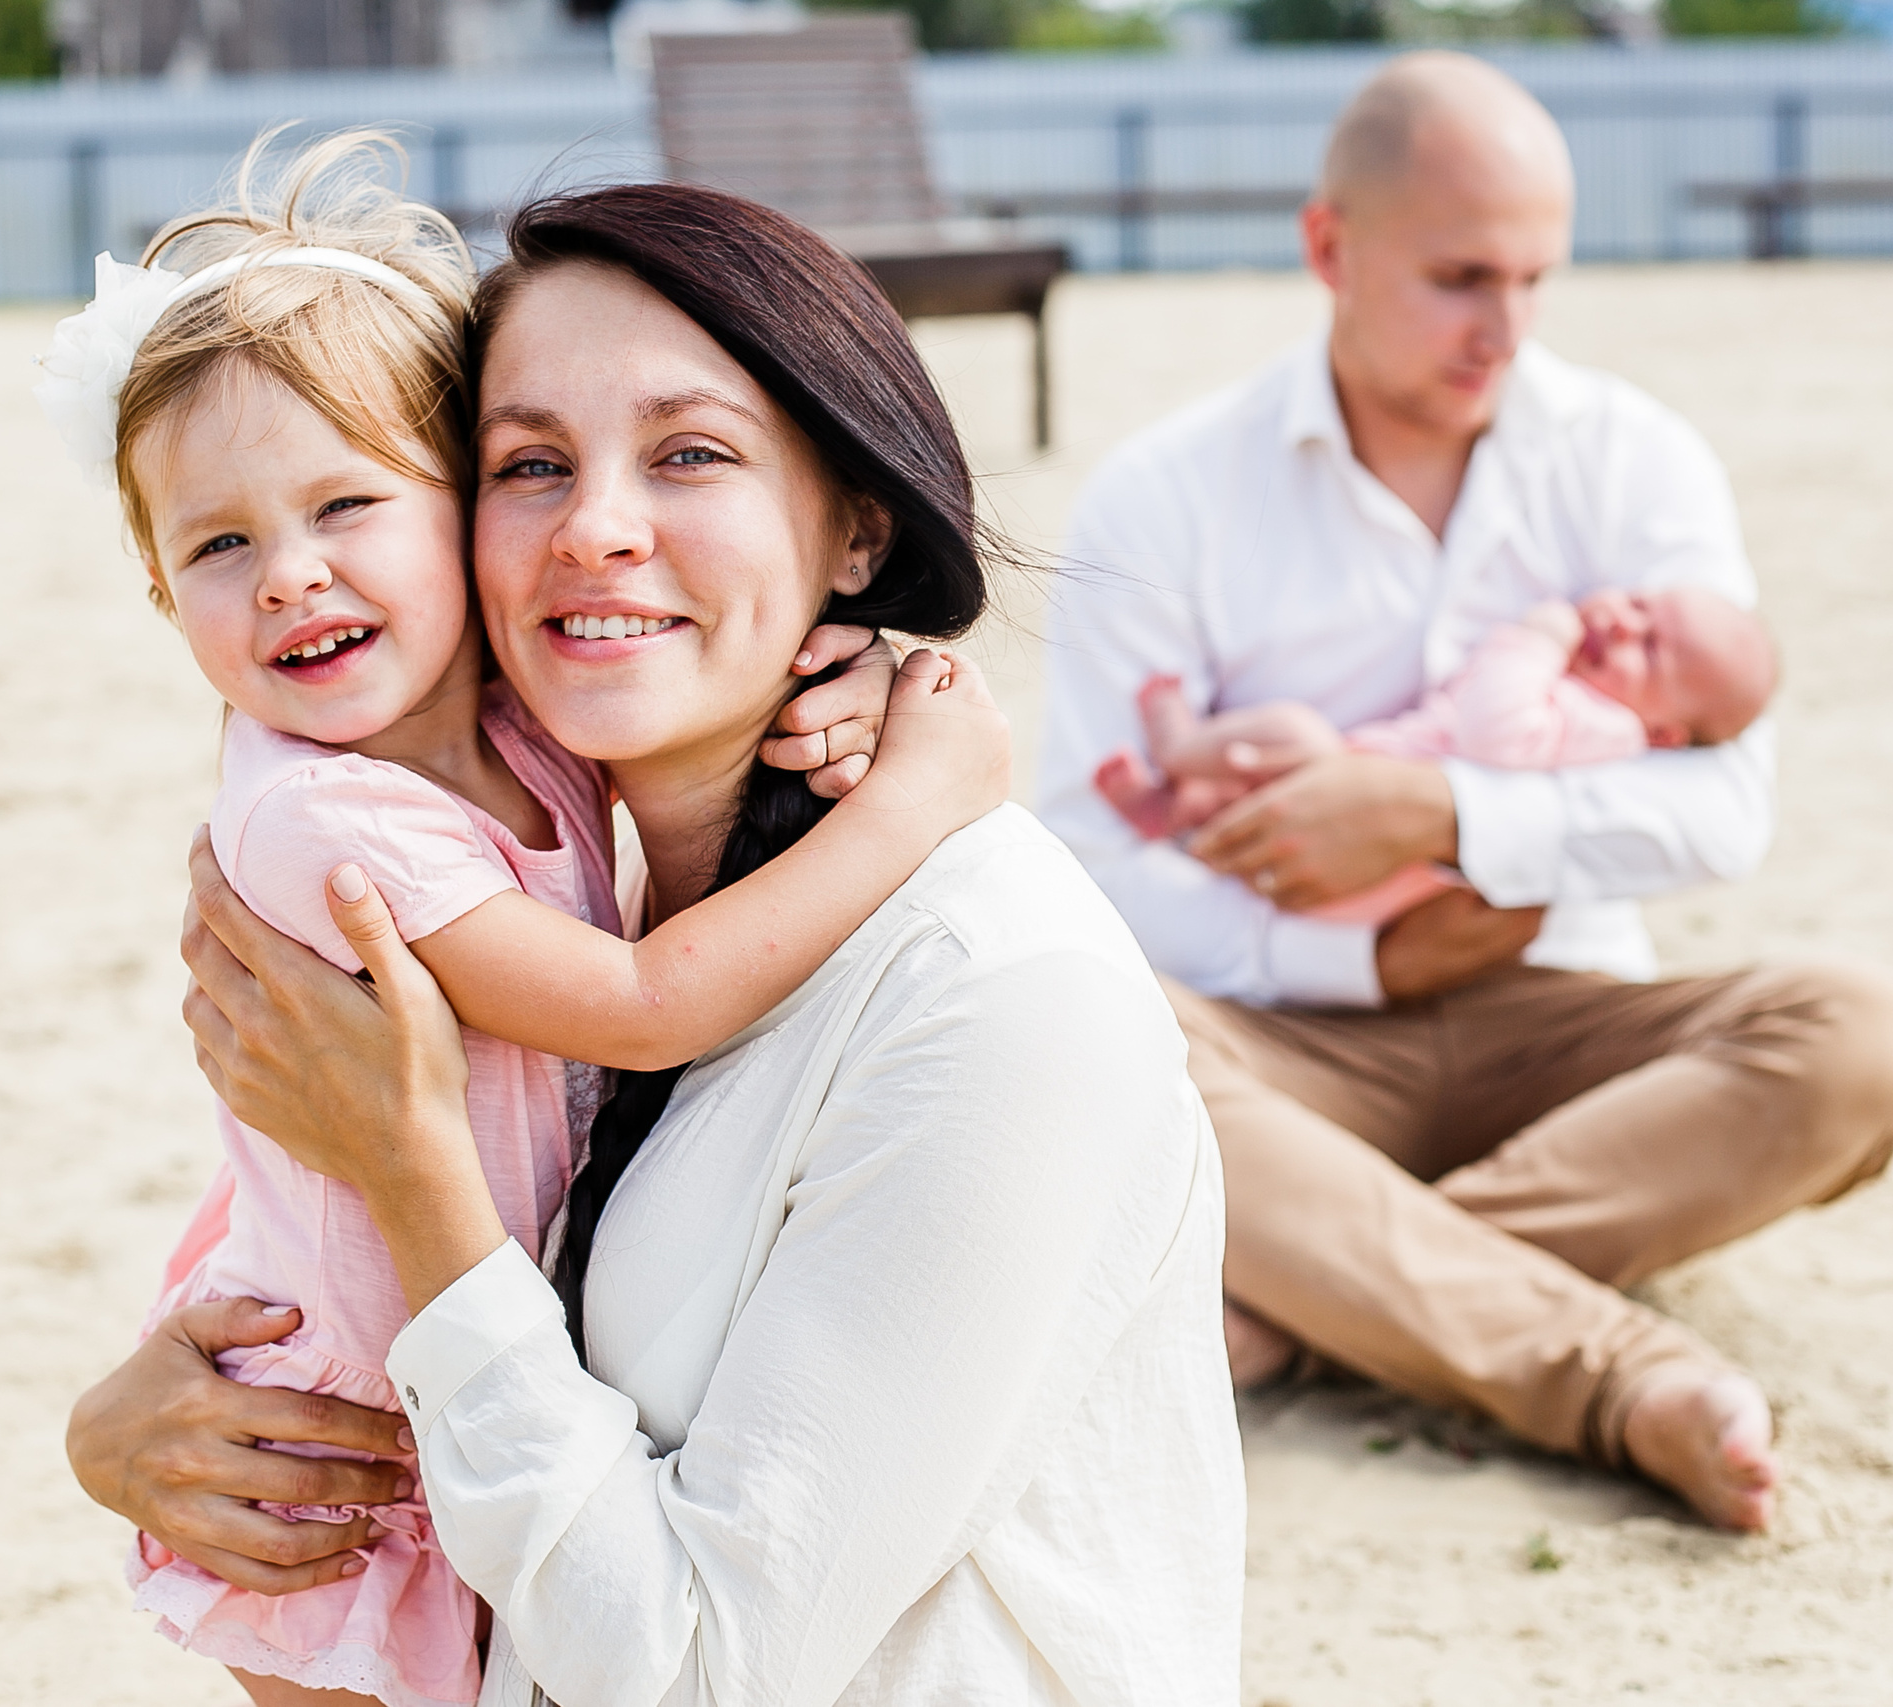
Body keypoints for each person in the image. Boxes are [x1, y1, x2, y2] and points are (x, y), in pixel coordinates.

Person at [67, 181, 1244, 1706]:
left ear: (855, 528)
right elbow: (319, 1169)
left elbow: (691, 1672)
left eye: (689, 454)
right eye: (530, 463)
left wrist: (422, 1192)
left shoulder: (994, 998)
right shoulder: (523, 858)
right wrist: (132, 1414)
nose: (596, 528)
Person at [1037, 52, 1893, 1533]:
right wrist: (1353, 951)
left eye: (1533, 279)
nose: (1503, 328)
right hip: (1269, 1046)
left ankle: (1323, 1294)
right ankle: (1604, 1368)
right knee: (1079, 1033)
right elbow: (1089, 860)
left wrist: (1431, 813)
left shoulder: (1633, 460)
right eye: (1461, 277)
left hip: (1560, 1023)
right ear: (1330, 245)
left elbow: (1726, 812)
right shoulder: (1165, 492)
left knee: (1858, 1040)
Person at [1093, 587, 1779, 923]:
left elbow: (1495, 732)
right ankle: (1174, 808)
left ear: (1662, 732)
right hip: (1373, 798)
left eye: (1649, 649)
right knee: (1268, 778)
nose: (1622, 622)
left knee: (1298, 735)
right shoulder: (1595, 701)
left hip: (1378, 846)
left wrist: (1535, 640)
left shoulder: (1603, 725)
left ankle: (1180, 750)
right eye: (1639, 603)